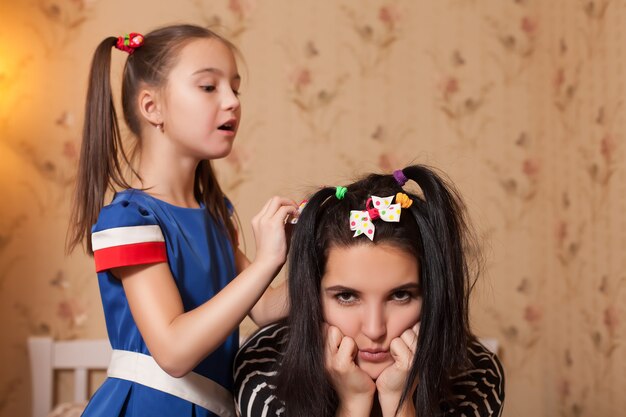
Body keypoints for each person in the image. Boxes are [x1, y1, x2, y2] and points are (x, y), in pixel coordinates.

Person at [66, 24, 297, 417]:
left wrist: (321, 248)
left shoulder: (215, 213)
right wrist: (265, 263)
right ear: (151, 106)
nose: (232, 102)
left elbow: (266, 308)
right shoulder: (127, 220)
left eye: (235, 88)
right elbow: (174, 351)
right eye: (209, 87)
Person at [234, 165, 505, 417]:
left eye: (400, 296)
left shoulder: (477, 375)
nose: (375, 330)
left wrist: (401, 403)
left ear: (432, 294)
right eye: (347, 296)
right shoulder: (263, 370)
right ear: (312, 294)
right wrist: (353, 405)